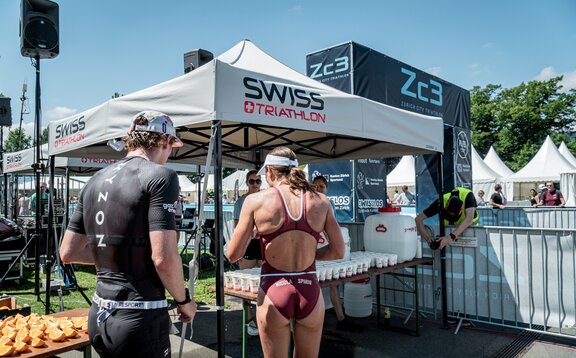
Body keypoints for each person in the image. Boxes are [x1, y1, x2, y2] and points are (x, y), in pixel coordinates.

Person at [59, 110, 196, 357]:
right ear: (165, 141)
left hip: (99, 316)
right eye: (171, 147)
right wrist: (184, 301)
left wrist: (121, 256)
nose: (169, 154)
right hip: (139, 317)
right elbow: (163, 258)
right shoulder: (161, 176)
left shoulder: (95, 179)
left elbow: (68, 252)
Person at [227, 147, 344, 358]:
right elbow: (338, 251)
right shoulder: (321, 201)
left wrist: (256, 235)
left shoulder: (255, 201)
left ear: (270, 171)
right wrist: (311, 253)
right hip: (309, 288)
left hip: (274, 288)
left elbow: (233, 254)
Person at [312, 175, 362, 332]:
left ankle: (341, 318)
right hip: (313, 246)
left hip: (326, 247)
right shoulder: (307, 202)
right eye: (316, 186)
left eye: (322, 186)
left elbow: (332, 226)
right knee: (313, 283)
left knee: (334, 283)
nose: (319, 189)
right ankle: (313, 322)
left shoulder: (329, 203)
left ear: (327, 189)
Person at [232, 169, 263, 336]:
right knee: (247, 283)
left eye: (258, 181)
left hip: (263, 245)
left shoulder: (265, 199)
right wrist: (238, 250)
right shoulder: (241, 202)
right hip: (247, 246)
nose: (255, 184)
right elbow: (236, 228)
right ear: (247, 183)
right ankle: (250, 320)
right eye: (252, 181)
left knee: (264, 282)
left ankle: (261, 318)